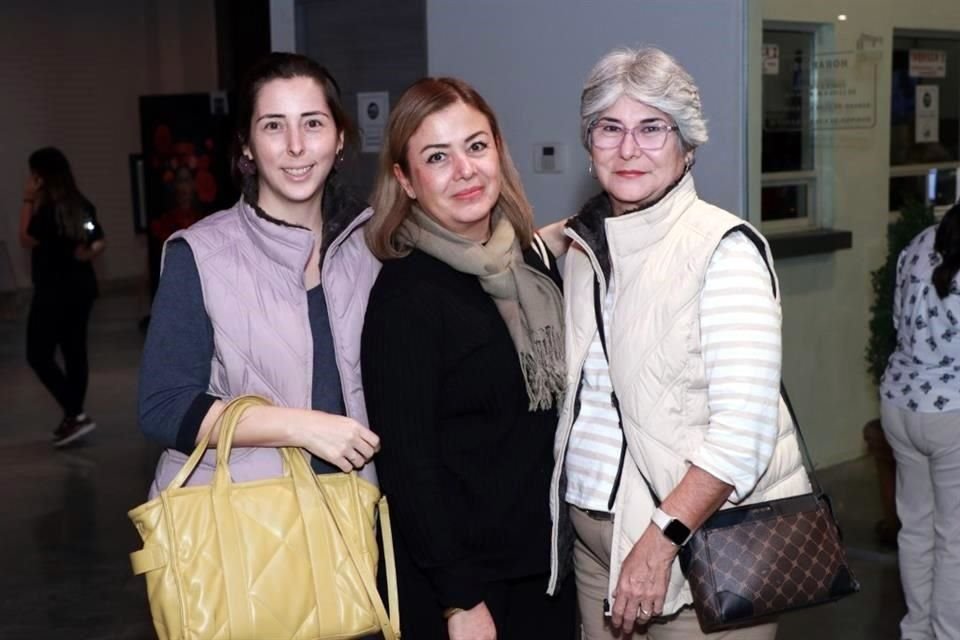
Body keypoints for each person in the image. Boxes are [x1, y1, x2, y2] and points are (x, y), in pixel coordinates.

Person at [546, 47, 811, 639]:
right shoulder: (589, 248)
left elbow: (742, 436)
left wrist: (659, 540)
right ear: (590, 148)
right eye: (609, 129)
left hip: (694, 549)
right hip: (596, 545)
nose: (628, 148)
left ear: (687, 146)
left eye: (652, 129)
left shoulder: (723, 251)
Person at [361, 77, 576, 640]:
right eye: (437, 157)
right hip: (468, 589)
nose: (464, 169)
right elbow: (408, 469)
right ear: (405, 181)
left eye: (476, 146)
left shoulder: (529, 264)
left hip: (548, 568)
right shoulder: (405, 297)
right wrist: (460, 600)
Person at [138, 52, 381, 504]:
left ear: (340, 138)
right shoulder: (200, 255)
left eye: (312, 123)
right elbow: (164, 406)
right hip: (248, 530)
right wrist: (303, 426)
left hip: (354, 513)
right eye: (273, 125)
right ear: (247, 145)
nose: (295, 145)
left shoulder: (373, 245)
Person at [880, 200, 960, 640]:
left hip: (900, 403)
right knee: (955, 539)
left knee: (915, 528)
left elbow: (897, 320)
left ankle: (917, 631)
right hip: (951, 413)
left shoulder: (916, 244)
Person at [19, 147, 105, 447]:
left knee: (37, 353)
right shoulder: (81, 205)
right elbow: (97, 238)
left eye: (34, 174)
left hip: (53, 292)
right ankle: (73, 417)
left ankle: (76, 413)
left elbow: (25, 238)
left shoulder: (47, 210)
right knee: (74, 351)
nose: (30, 179)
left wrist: (28, 199)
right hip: (81, 290)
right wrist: (87, 252)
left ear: (42, 177)